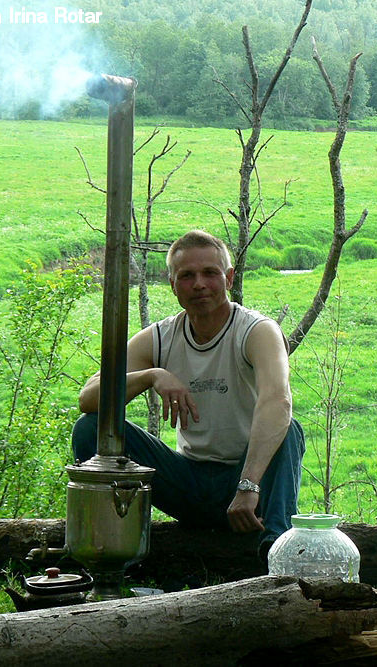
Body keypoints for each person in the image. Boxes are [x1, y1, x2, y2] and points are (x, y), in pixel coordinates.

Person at [73, 229, 305, 558]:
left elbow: (277, 401)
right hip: (188, 482)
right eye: (187, 276)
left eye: (210, 273)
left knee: (289, 428)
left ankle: (275, 552)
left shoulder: (257, 331)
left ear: (228, 278)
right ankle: (108, 546)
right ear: (172, 284)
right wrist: (152, 375)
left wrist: (248, 484)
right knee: (90, 426)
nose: (199, 284)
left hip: (245, 482)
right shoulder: (162, 336)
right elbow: (89, 397)